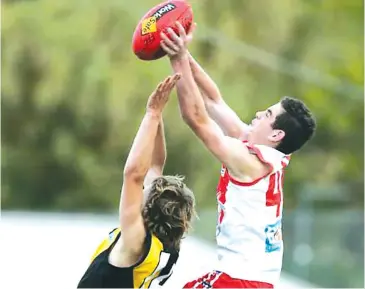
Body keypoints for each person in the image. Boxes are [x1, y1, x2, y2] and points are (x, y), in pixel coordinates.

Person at [160, 23, 316, 288]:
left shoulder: (251, 162)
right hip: (252, 280)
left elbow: (196, 118)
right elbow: (213, 101)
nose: (258, 114)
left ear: (277, 135)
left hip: (240, 280)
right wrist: (182, 52)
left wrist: (176, 59)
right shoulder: (263, 153)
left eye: (267, 115)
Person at [77, 74, 196, 289]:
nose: (141, 188)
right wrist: (157, 115)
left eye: (145, 190)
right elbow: (155, 165)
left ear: (148, 208)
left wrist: (151, 114)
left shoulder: (135, 241)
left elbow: (133, 174)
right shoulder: (165, 245)